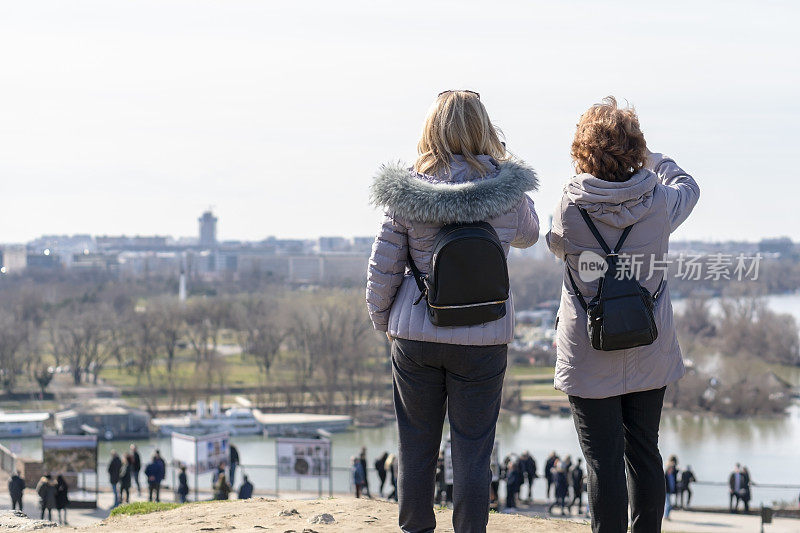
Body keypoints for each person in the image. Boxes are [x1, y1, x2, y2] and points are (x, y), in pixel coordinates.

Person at [366, 89, 539, 533]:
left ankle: (415, 528)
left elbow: (383, 270)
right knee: (474, 449)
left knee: (416, 443)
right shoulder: (505, 188)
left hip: (416, 338)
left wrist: (388, 324)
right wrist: (507, 167)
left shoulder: (408, 189)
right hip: (483, 337)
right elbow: (530, 233)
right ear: (484, 128)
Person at [547, 97, 700, 533]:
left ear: (582, 152)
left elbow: (555, 243)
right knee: (645, 453)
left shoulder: (569, 207)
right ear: (636, 149)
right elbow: (689, 186)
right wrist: (649, 158)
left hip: (589, 351)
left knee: (602, 462)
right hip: (648, 344)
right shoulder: (659, 202)